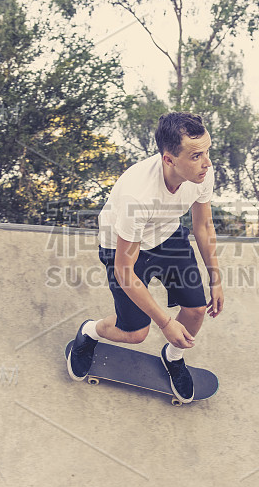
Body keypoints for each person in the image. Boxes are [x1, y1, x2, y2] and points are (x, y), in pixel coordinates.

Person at [66, 111, 224, 403]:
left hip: (167, 235)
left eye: (207, 151)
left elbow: (202, 225)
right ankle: (89, 331)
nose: (207, 162)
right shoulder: (136, 196)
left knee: (196, 310)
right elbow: (126, 273)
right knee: (136, 333)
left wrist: (216, 278)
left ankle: (173, 357)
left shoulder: (202, 174)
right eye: (196, 155)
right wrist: (165, 323)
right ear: (169, 159)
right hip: (122, 246)